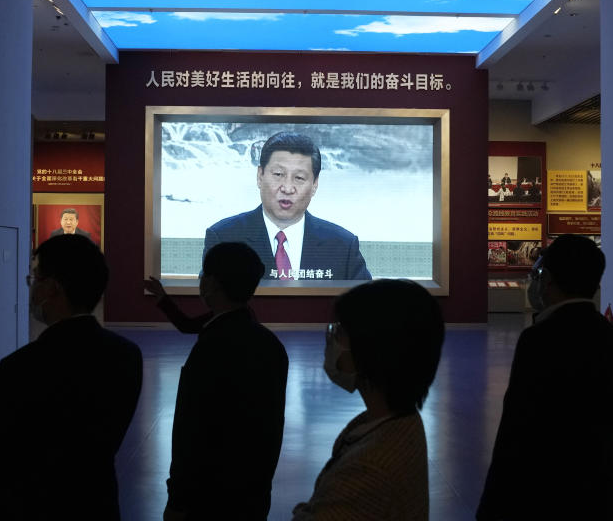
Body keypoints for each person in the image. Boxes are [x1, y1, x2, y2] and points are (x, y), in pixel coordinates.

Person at [0, 234, 143, 521]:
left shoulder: (20, 367)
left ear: (54, 288)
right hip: (96, 506)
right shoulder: (126, 355)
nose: (32, 287)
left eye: (36, 278)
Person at [477, 234, 613, 521]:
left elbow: (517, 422)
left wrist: (493, 501)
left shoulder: (538, 339)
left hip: (546, 487)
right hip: (600, 484)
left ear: (547, 280)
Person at [144, 242, 289, 520]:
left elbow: (191, 432)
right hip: (253, 497)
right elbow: (271, 430)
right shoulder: (271, 345)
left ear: (210, 283)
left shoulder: (210, 350)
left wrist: (178, 499)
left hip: (207, 501)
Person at [292, 279, 444, 520]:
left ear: (372, 348)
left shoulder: (367, 469)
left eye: (341, 331)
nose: (332, 340)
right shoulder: (396, 420)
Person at [203, 131, 371, 281]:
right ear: (260, 176)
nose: (287, 188)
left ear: (314, 185)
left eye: (299, 178)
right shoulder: (223, 238)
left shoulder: (342, 245)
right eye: (278, 174)